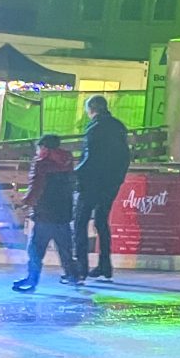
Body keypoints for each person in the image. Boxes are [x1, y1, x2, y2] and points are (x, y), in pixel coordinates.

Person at [70, 95, 132, 284]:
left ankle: (81, 267)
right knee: (101, 221)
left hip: (91, 183)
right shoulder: (118, 127)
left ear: (92, 109)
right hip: (111, 183)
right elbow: (124, 156)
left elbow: (90, 158)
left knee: (80, 222)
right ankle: (105, 265)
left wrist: (75, 175)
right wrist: (117, 178)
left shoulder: (95, 128)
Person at [11, 135, 77, 293]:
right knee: (65, 248)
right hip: (63, 213)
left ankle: (32, 280)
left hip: (45, 214)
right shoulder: (67, 161)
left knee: (35, 249)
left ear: (44, 148)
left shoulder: (41, 164)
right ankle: (72, 276)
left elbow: (36, 187)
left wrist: (25, 203)